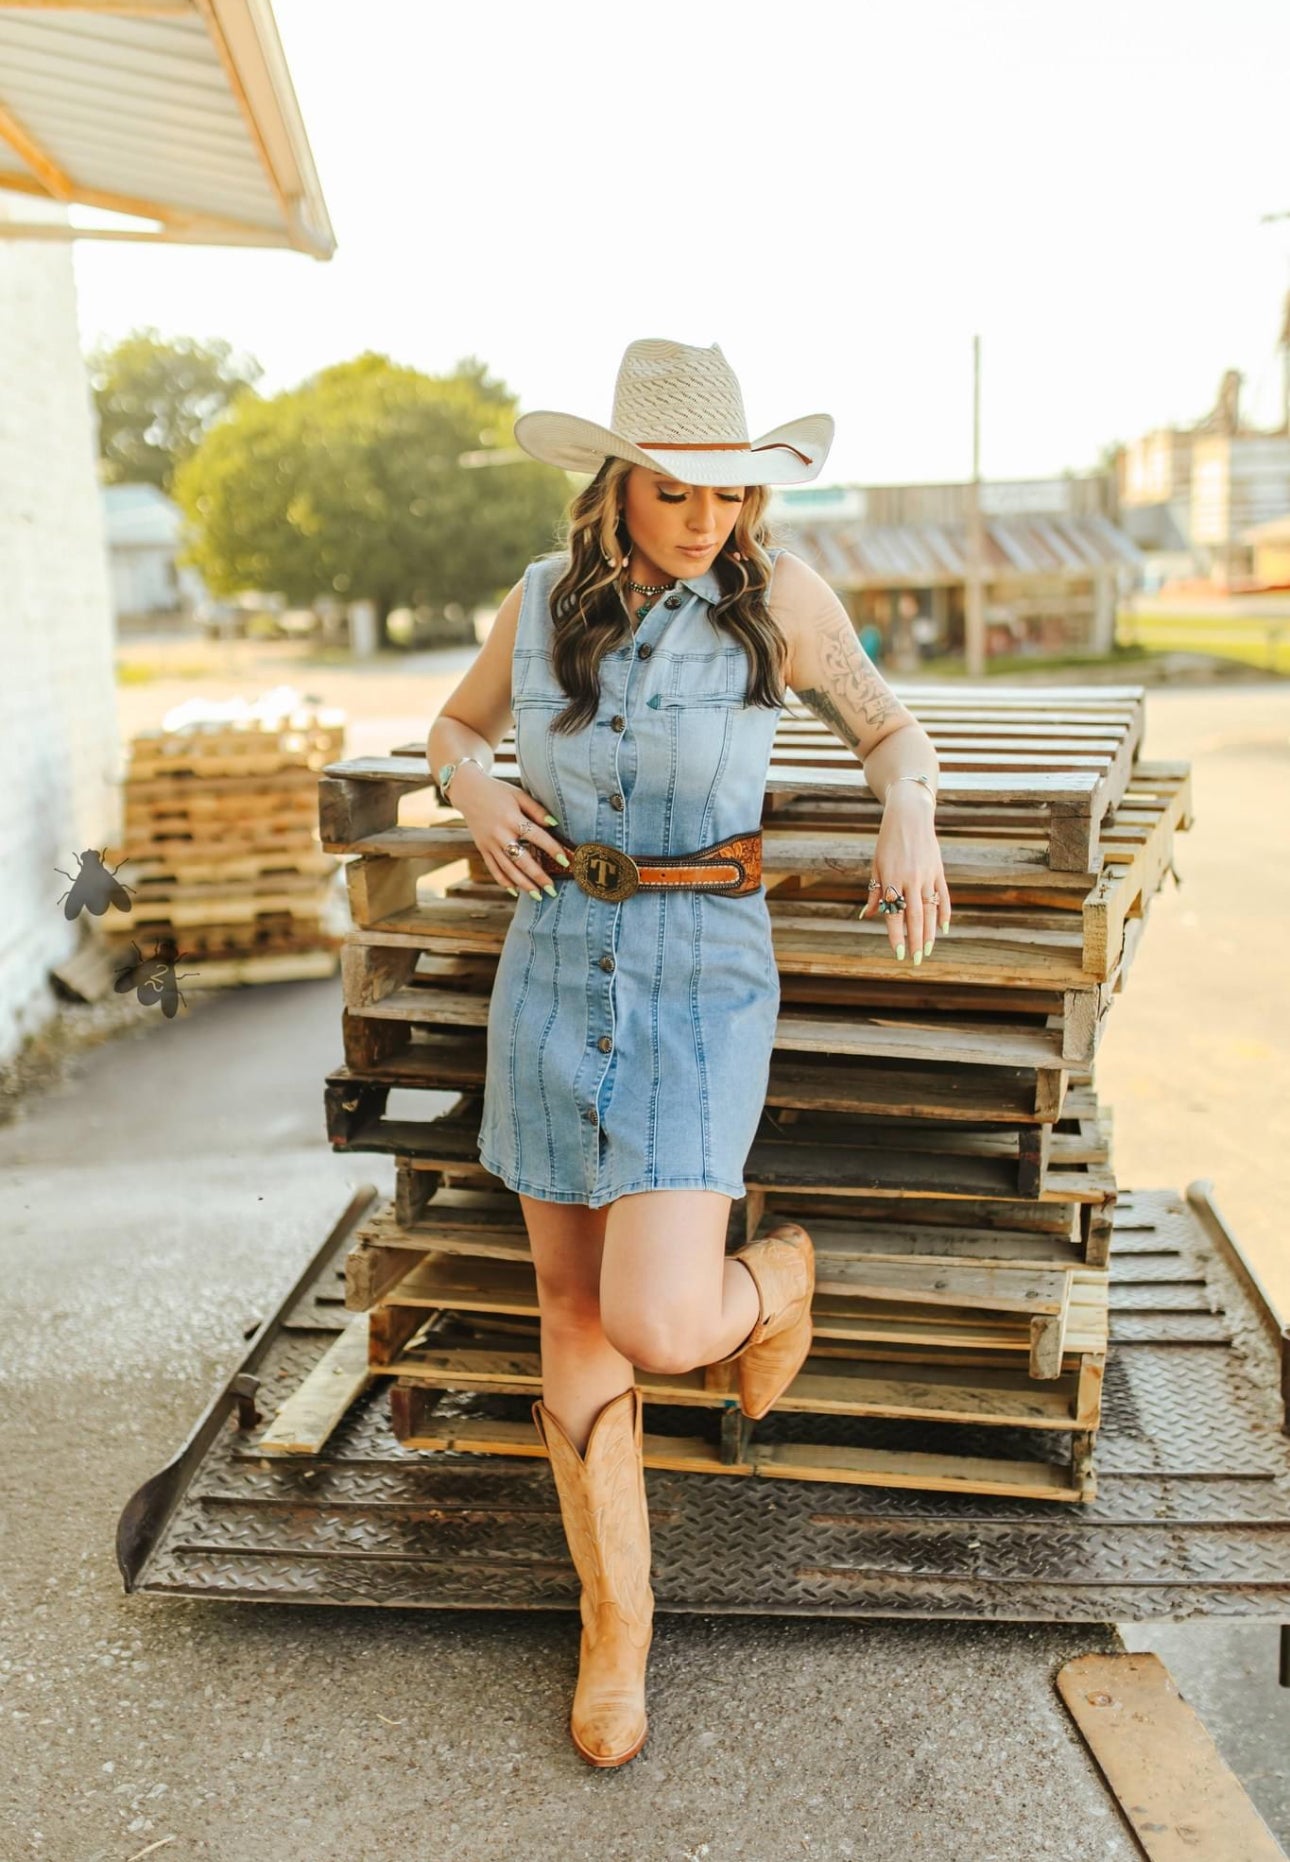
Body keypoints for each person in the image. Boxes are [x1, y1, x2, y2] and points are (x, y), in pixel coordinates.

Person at [425, 338, 950, 1769]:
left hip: (701, 972)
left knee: (659, 1321)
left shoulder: (778, 595)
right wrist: (469, 778)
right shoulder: (538, 602)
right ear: (613, 485)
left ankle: (775, 1276)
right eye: (674, 489)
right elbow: (452, 724)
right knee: (567, 1298)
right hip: (552, 960)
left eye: (724, 491)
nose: (704, 516)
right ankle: (617, 1631)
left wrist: (906, 803)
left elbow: (890, 730)